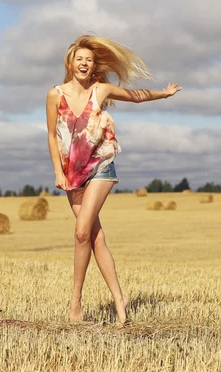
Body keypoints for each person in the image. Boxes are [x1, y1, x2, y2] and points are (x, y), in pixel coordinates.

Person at [45, 34, 181, 326]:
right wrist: (57, 170)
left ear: (94, 66)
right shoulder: (55, 94)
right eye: (79, 59)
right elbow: (50, 135)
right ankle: (120, 301)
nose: (84, 63)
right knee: (95, 238)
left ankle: (75, 304)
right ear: (70, 63)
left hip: (101, 165)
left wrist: (163, 94)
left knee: (81, 232)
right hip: (71, 172)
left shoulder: (100, 90)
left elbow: (135, 96)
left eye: (89, 60)